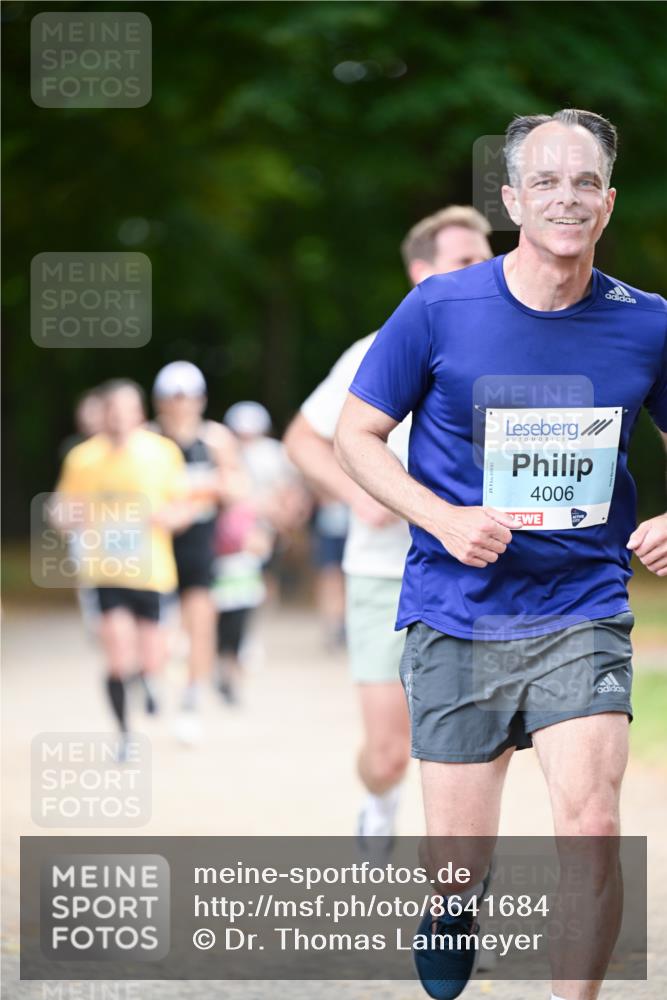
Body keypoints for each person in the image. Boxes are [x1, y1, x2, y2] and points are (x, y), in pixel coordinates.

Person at [335, 109, 667, 1000]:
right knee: (456, 865)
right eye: (546, 181)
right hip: (456, 609)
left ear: (607, 203)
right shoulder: (440, 307)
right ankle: (451, 903)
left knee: (591, 825)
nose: (566, 196)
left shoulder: (648, 324)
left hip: (582, 606)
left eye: (585, 182)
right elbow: (355, 436)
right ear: (514, 198)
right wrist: (439, 517)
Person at [284, 206, 492, 841]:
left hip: (476, 572)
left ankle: (462, 869)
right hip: (382, 572)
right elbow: (302, 438)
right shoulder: (375, 348)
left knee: (477, 741)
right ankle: (379, 800)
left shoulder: (513, 348)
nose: (481, 272)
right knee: (388, 753)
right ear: (421, 272)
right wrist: (354, 492)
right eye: (464, 261)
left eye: (488, 260)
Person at [52, 379, 189, 750]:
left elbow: (184, 506)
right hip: (105, 571)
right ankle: (125, 733)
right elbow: (61, 508)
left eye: (125, 410)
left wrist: (169, 517)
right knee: (116, 654)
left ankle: (149, 678)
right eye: (111, 410)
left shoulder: (162, 453)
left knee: (152, 657)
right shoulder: (82, 458)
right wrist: (67, 516)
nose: (117, 418)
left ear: (139, 414)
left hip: (153, 571)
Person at [151, 361, 247, 743]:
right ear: (160, 402)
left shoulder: (215, 440)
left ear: (200, 400)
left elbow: (237, 487)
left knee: (201, 621)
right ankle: (153, 679)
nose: (181, 405)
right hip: (156, 545)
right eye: (174, 398)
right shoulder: (149, 441)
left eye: (188, 397)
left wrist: (197, 495)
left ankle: (192, 698)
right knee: (158, 628)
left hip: (200, 544)